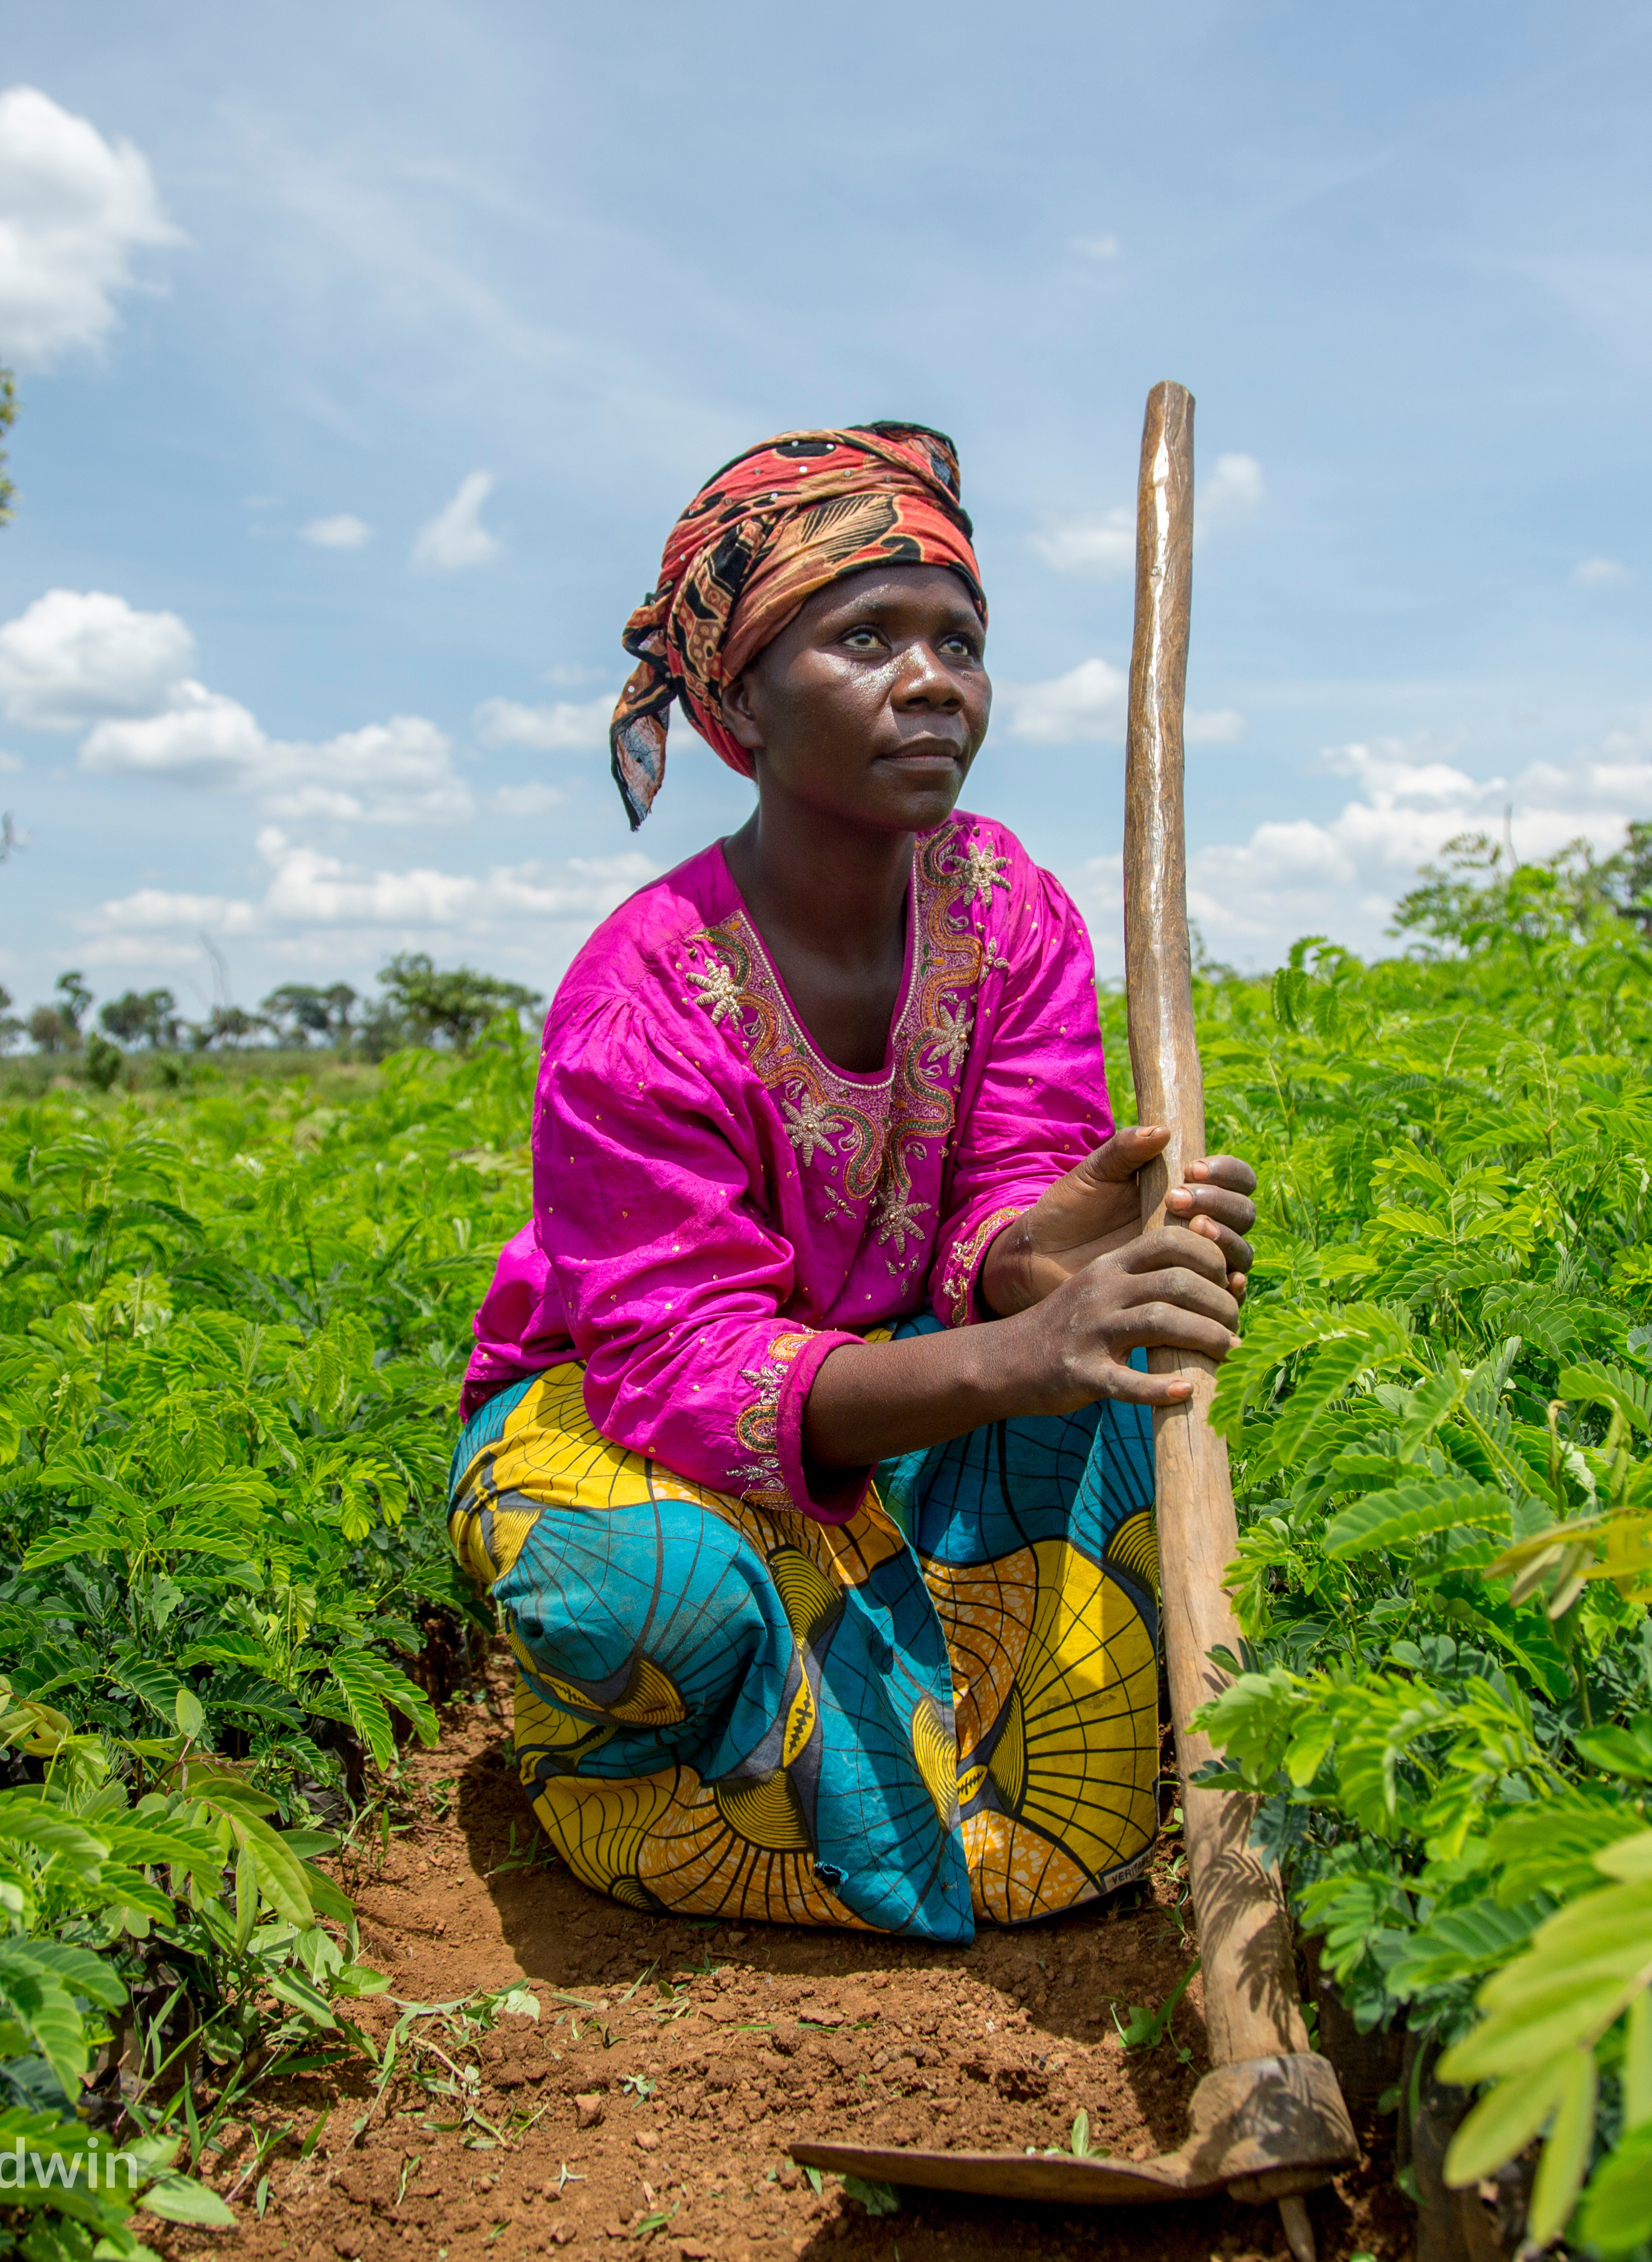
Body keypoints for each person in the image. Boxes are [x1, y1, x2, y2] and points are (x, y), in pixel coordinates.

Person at [453, 422, 1257, 1944]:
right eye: (868, 637)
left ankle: (1058, 1797)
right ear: (742, 699)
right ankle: (697, 1805)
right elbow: (676, 1364)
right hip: (642, 1417)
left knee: (1120, 1385)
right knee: (623, 1581)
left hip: (903, 1376)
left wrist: (1064, 1264)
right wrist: (1009, 1355)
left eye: (960, 639)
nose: (935, 678)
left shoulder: (1009, 909)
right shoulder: (637, 1003)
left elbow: (1005, 1215)